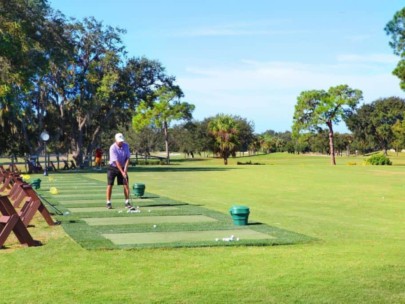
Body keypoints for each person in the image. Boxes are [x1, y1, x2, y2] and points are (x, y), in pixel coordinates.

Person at [106, 133, 132, 209]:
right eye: (119, 141)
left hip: (123, 167)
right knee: (110, 185)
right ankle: (108, 202)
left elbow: (127, 158)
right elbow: (116, 162)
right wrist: (122, 172)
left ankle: (127, 202)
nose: (121, 143)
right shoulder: (112, 148)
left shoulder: (126, 145)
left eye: (122, 141)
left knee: (126, 184)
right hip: (113, 167)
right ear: (115, 140)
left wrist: (125, 170)